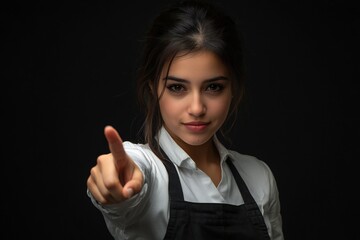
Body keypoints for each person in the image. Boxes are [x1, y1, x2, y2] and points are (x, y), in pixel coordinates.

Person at [86, 0, 284, 239]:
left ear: (233, 88)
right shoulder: (147, 172)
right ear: (152, 89)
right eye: (177, 88)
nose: (197, 108)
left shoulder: (259, 177)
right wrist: (113, 187)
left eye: (213, 87)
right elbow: (129, 183)